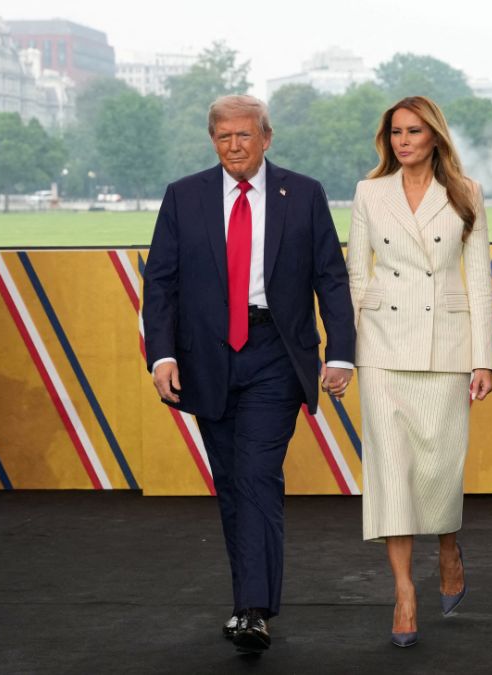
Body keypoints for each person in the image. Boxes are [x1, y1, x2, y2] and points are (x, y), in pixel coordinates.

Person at [142, 95, 356, 656]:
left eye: (244, 135)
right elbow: (160, 283)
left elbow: (331, 276)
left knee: (258, 475)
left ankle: (252, 610)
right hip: (205, 360)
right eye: (223, 137)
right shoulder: (183, 196)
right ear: (212, 140)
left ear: (267, 137)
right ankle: (249, 602)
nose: (234, 146)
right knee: (234, 483)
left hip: (275, 356)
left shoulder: (303, 193)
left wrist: (341, 354)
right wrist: (161, 355)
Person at [346, 96, 492, 648]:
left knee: (438, 470)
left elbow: (477, 279)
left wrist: (484, 358)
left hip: (447, 347)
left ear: (434, 136)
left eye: (413, 131)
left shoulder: (466, 193)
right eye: (395, 133)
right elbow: (355, 276)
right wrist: (344, 351)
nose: (403, 141)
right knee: (391, 472)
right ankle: (404, 593)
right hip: (382, 347)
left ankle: (449, 546)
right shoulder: (369, 192)